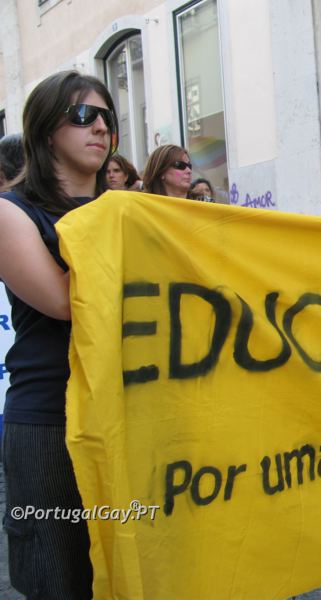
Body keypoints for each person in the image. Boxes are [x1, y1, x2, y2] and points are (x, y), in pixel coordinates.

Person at [0, 70, 119, 598]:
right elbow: (65, 301)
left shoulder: (126, 211)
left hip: (128, 412)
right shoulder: (11, 212)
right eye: (83, 115)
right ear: (46, 130)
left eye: (107, 117)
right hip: (51, 421)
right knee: (59, 577)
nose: (100, 127)